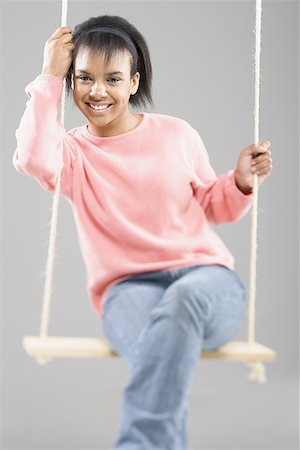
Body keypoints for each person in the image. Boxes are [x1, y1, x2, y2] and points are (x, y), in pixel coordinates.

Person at [13, 15, 272, 450]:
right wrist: (48, 76)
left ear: (133, 82)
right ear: (71, 83)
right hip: (127, 291)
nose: (97, 91)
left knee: (184, 302)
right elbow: (35, 158)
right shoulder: (73, 154)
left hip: (206, 282)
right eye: (83, 78)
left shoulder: (176, 134)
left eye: (112, 78)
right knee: (165, 359)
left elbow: (214, 206)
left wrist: (241, 181)